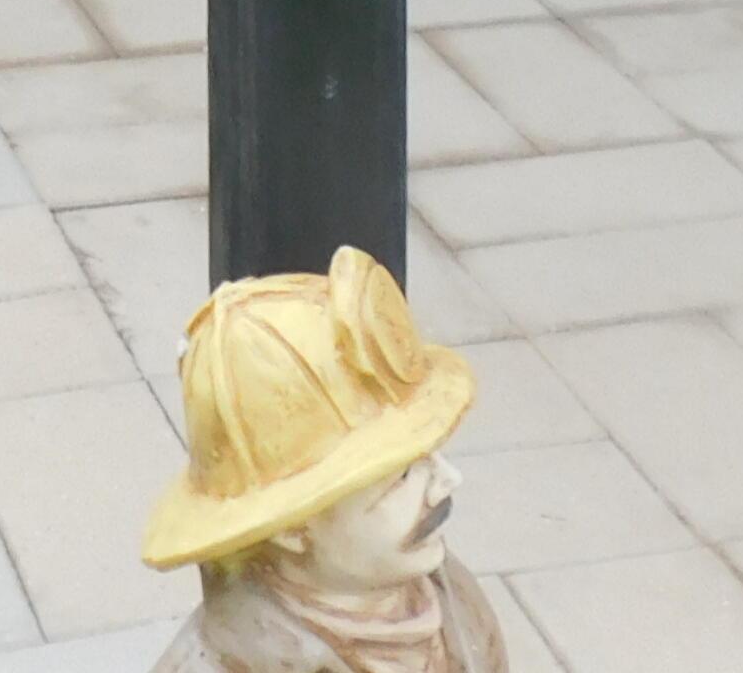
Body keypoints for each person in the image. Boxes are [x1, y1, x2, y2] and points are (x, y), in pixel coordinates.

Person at [143, 246, 505, 673]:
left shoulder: (453, 604)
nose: (448, 478)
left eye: (430, 457)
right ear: (292, 527)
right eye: (403, 476)